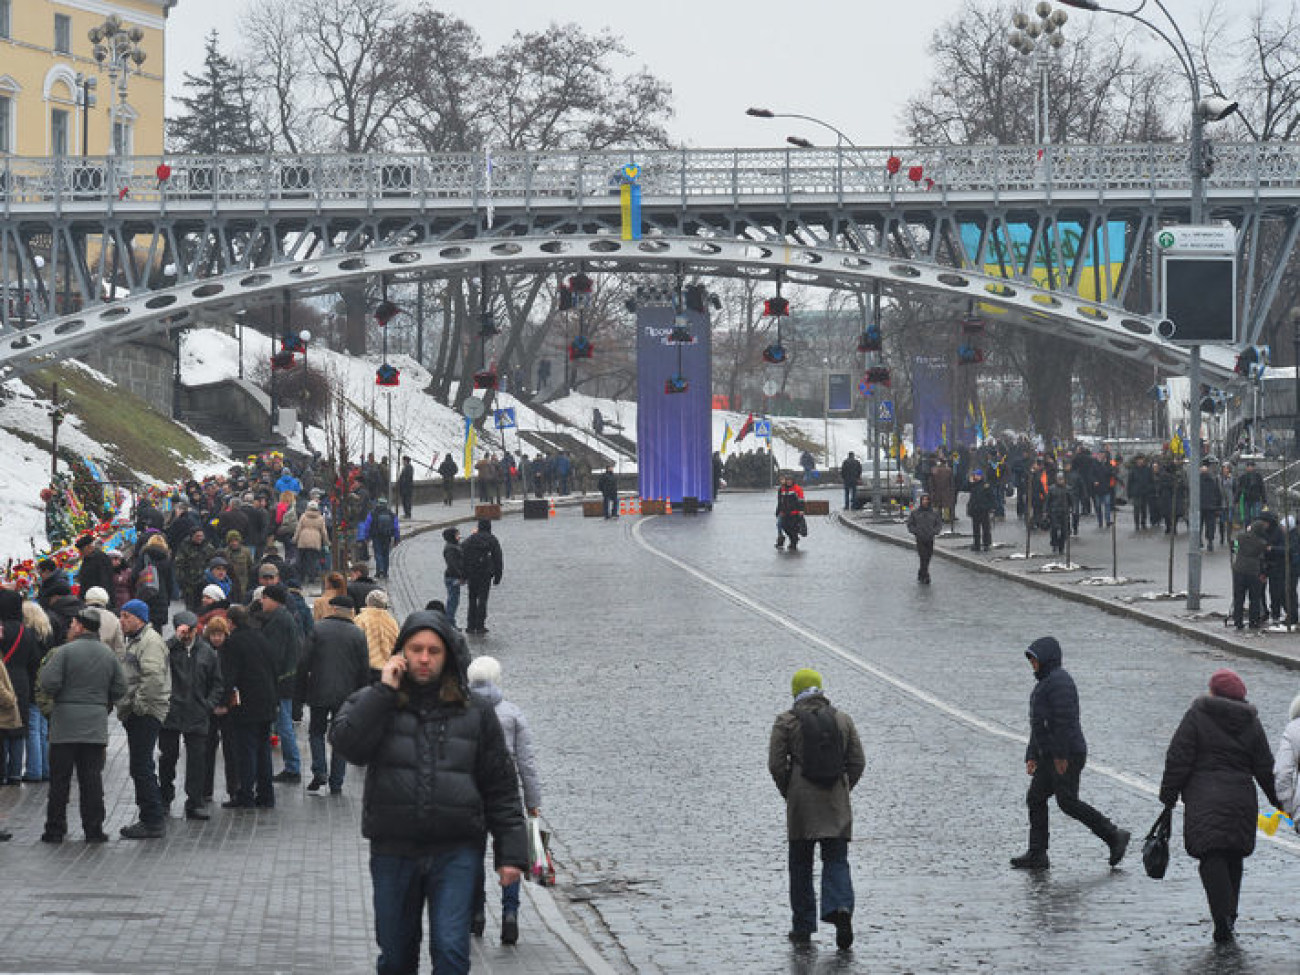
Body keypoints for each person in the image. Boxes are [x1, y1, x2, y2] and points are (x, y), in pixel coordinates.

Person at [330, 611, 528, 975]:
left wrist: (510, 854)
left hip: (456, 850)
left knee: (452, 951)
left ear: (448, 655)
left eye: (433, 650)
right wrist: (384, 691)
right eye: (416, 649)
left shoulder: (476, 711)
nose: (424, 658)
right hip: (394, 850)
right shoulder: (377, 701)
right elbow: (347, 745)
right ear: (400, 653)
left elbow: (500, 786)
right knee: (395, 956)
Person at [1160, 669, 1281, 943]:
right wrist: (1281, 801)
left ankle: (1222, 920)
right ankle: (1230, 915)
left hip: (1204, 797)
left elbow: (1179, 757)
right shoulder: (1251, 722)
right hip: (1241, 798)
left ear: (1213, 691)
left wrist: (1168, 795)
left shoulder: (1196, 716)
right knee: (1233, 855)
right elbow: (1264, 767)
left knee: (1211, 856)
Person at [1011, 637, 1129, 871]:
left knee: (1068, 802)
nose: (1032, 665)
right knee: (1036, 797)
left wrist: (1061, 756)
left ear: (1046, 659)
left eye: (1034, 660)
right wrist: (1032, 754)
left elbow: (1063, 722)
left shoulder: (1060, 683)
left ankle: (1114, 835)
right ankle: (1037, 853)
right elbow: (1039, 725)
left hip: (1066, 755)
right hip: (1051, 755)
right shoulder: (1046, 682)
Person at [768, 668, 865, 949]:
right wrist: (843, 788)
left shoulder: (786, 721)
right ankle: (841, 908)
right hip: (835, 801)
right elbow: (857, 761)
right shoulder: (842, 719)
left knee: (800, 863)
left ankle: (803, 926)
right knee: (836, 859)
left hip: (801, 803)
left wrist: (790, 790)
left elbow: (775, 764)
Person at [467, 655, 542, 945]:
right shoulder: (513, 714)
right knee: (511, 854)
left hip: (470, 794)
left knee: (472, 854)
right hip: (506, 794)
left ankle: (476, 913)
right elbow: (527, 763)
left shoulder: (462, 712)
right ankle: (510, 913)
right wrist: (532, 802)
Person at [37, 609, 126, 843]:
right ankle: (94, 829)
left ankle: (55, 829)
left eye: (73, 623)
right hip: (94, 726)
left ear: (80, 626)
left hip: (64, 725)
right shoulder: (108, 654)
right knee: (91, 779)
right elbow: (120, 688)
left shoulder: (65, 652)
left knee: (60, 780)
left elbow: (48, 682)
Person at [300, 595, 369, 795]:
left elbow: (304, 661)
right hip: (346, 694)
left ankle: (320, 770)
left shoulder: (318, 629)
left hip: (319, 689)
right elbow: (364, 668)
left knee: (316, 732)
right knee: (340, 736)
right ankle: (337, 781)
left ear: (333, 610)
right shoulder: (358, 634)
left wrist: (303, 687)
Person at [158, 610, 224, 821]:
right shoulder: (167, 649)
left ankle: (194, 802)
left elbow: (217, 682)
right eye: (183, 631)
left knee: (197, 760)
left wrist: (208, 704)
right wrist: (174, 641)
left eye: (190, 631)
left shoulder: (206, 651)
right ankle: (165, 798)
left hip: (197, 712)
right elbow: (157, 664)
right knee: (168, 757)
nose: (187, 635)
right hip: (171, 712)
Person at [116, 599, 173, 839]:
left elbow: (152, 678)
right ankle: (149, 816)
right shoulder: (137, 641)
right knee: (140, 765)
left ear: (139, 618)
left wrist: (137, 708)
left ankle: (152, 819)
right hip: (140, 711)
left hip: (146, 712)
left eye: (126, 616)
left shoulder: (149, 642)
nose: (122, 620)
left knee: (142, 766)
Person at [220, 604, 279, 809]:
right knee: (263, 749)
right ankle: (266, 795)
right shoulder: (261, 637)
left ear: (230, 622)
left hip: (246, 704)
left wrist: (222, 701)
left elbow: (229, 676)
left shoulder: (233, 643)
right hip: (267, 701)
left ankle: (245, 795)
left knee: (246, 751)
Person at [260, 583, 304, 784]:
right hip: (285, 678)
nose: (262, 601)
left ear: (274, 600)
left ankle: (293, 767)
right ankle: (291, 766)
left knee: (284, 724)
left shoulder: (279, 620)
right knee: (282, 723)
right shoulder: (283, 617)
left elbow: (275, 654)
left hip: (281, 680)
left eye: (265, 598)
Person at [0, 590, 40, 784]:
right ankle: (15, 772)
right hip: (22, 680)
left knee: (1, 727)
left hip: (2, 679)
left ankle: (2, 772)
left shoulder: (1, 629)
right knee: (18, 727)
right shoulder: (27, 631)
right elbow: (35, 661)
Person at [201, 617, 240, 808]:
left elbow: (231, 679)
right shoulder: (206, 652)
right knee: (208, 749)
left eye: (220, 634)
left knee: (230, 749)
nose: (217, 638)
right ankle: (205, 789)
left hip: (227, 707)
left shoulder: (229, 653)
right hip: (210, 707)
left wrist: (223, 703)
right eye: (214, 635)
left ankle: (233, 789)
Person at [461, 519, 504, 635]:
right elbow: (498, 558)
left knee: (472, 599)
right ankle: (480, 625)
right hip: (485, 573)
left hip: (472, 573)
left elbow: (462, 553)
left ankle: (470, 625)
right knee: (483, 599)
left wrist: (464, 573)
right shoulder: (492, 539)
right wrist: (498, 576)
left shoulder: (471, 539)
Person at [1230, 518, 1268, 631]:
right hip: (1253, 572)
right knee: (1254, 598)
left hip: (1239, 570)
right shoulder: (1262, 543)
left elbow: (1235, 548)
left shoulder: (1240, 537)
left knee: (1239, 597)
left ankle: (1238, 621)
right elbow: (1263, 556)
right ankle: (1253, 621)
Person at [905, 493, 944, 584]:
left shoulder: (934, 513)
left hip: (930, 538)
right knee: (923, 557)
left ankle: (921, 572)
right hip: (920, 538)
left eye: (927, 500)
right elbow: (910, 524)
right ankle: (926, 575)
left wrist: (935, 531)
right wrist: (916, 531)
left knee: (928, 557)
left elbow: (938, 524)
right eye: (923, 500)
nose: (925, 501)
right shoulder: (915, 513)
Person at [359, 498, 400, 580]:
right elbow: (396, 527)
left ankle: (379, 570)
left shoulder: (373, 513)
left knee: (378, 553)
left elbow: (367, 526)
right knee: (386, 554)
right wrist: (396, 538)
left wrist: (366, 537)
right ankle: (385, 572)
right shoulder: (391, 514)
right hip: (387, 536)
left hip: (376, 536)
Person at [775, 473, 807, 551]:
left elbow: (801, 500)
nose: (789, 482)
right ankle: (793, 539)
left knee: (793, 528)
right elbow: (780, 501)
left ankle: (793, 542)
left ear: (793, 481)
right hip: (785, 512)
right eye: (787, 480)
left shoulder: (797, 489)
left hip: (794, 512)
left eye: (790, 480)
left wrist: (801, 510)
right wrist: (778, 510)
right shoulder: (782, 489)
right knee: (784, 527)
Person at [966, 468, 995, 552]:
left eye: (977, 475)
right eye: (975, 475)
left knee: (986, 528)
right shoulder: (973, 484)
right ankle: (976, 544)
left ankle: (986, 544)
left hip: (983, 509)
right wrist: (969, 482)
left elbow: (991, 497)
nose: (976, 477)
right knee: (976, 529)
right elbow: (964, 487)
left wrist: (990, 507)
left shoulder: (986, 485)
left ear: (981, 476)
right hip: (974, 509)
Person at [441, 528, 465, 627]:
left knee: (454, 600)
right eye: (457, 534)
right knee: (453, 601)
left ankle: (450, 621)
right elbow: (452, 565)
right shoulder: (450, 548)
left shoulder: (454, 546)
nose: (459, 536)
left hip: (453, 576)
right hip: (452, 577)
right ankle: (449, 622)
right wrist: (460, 576)